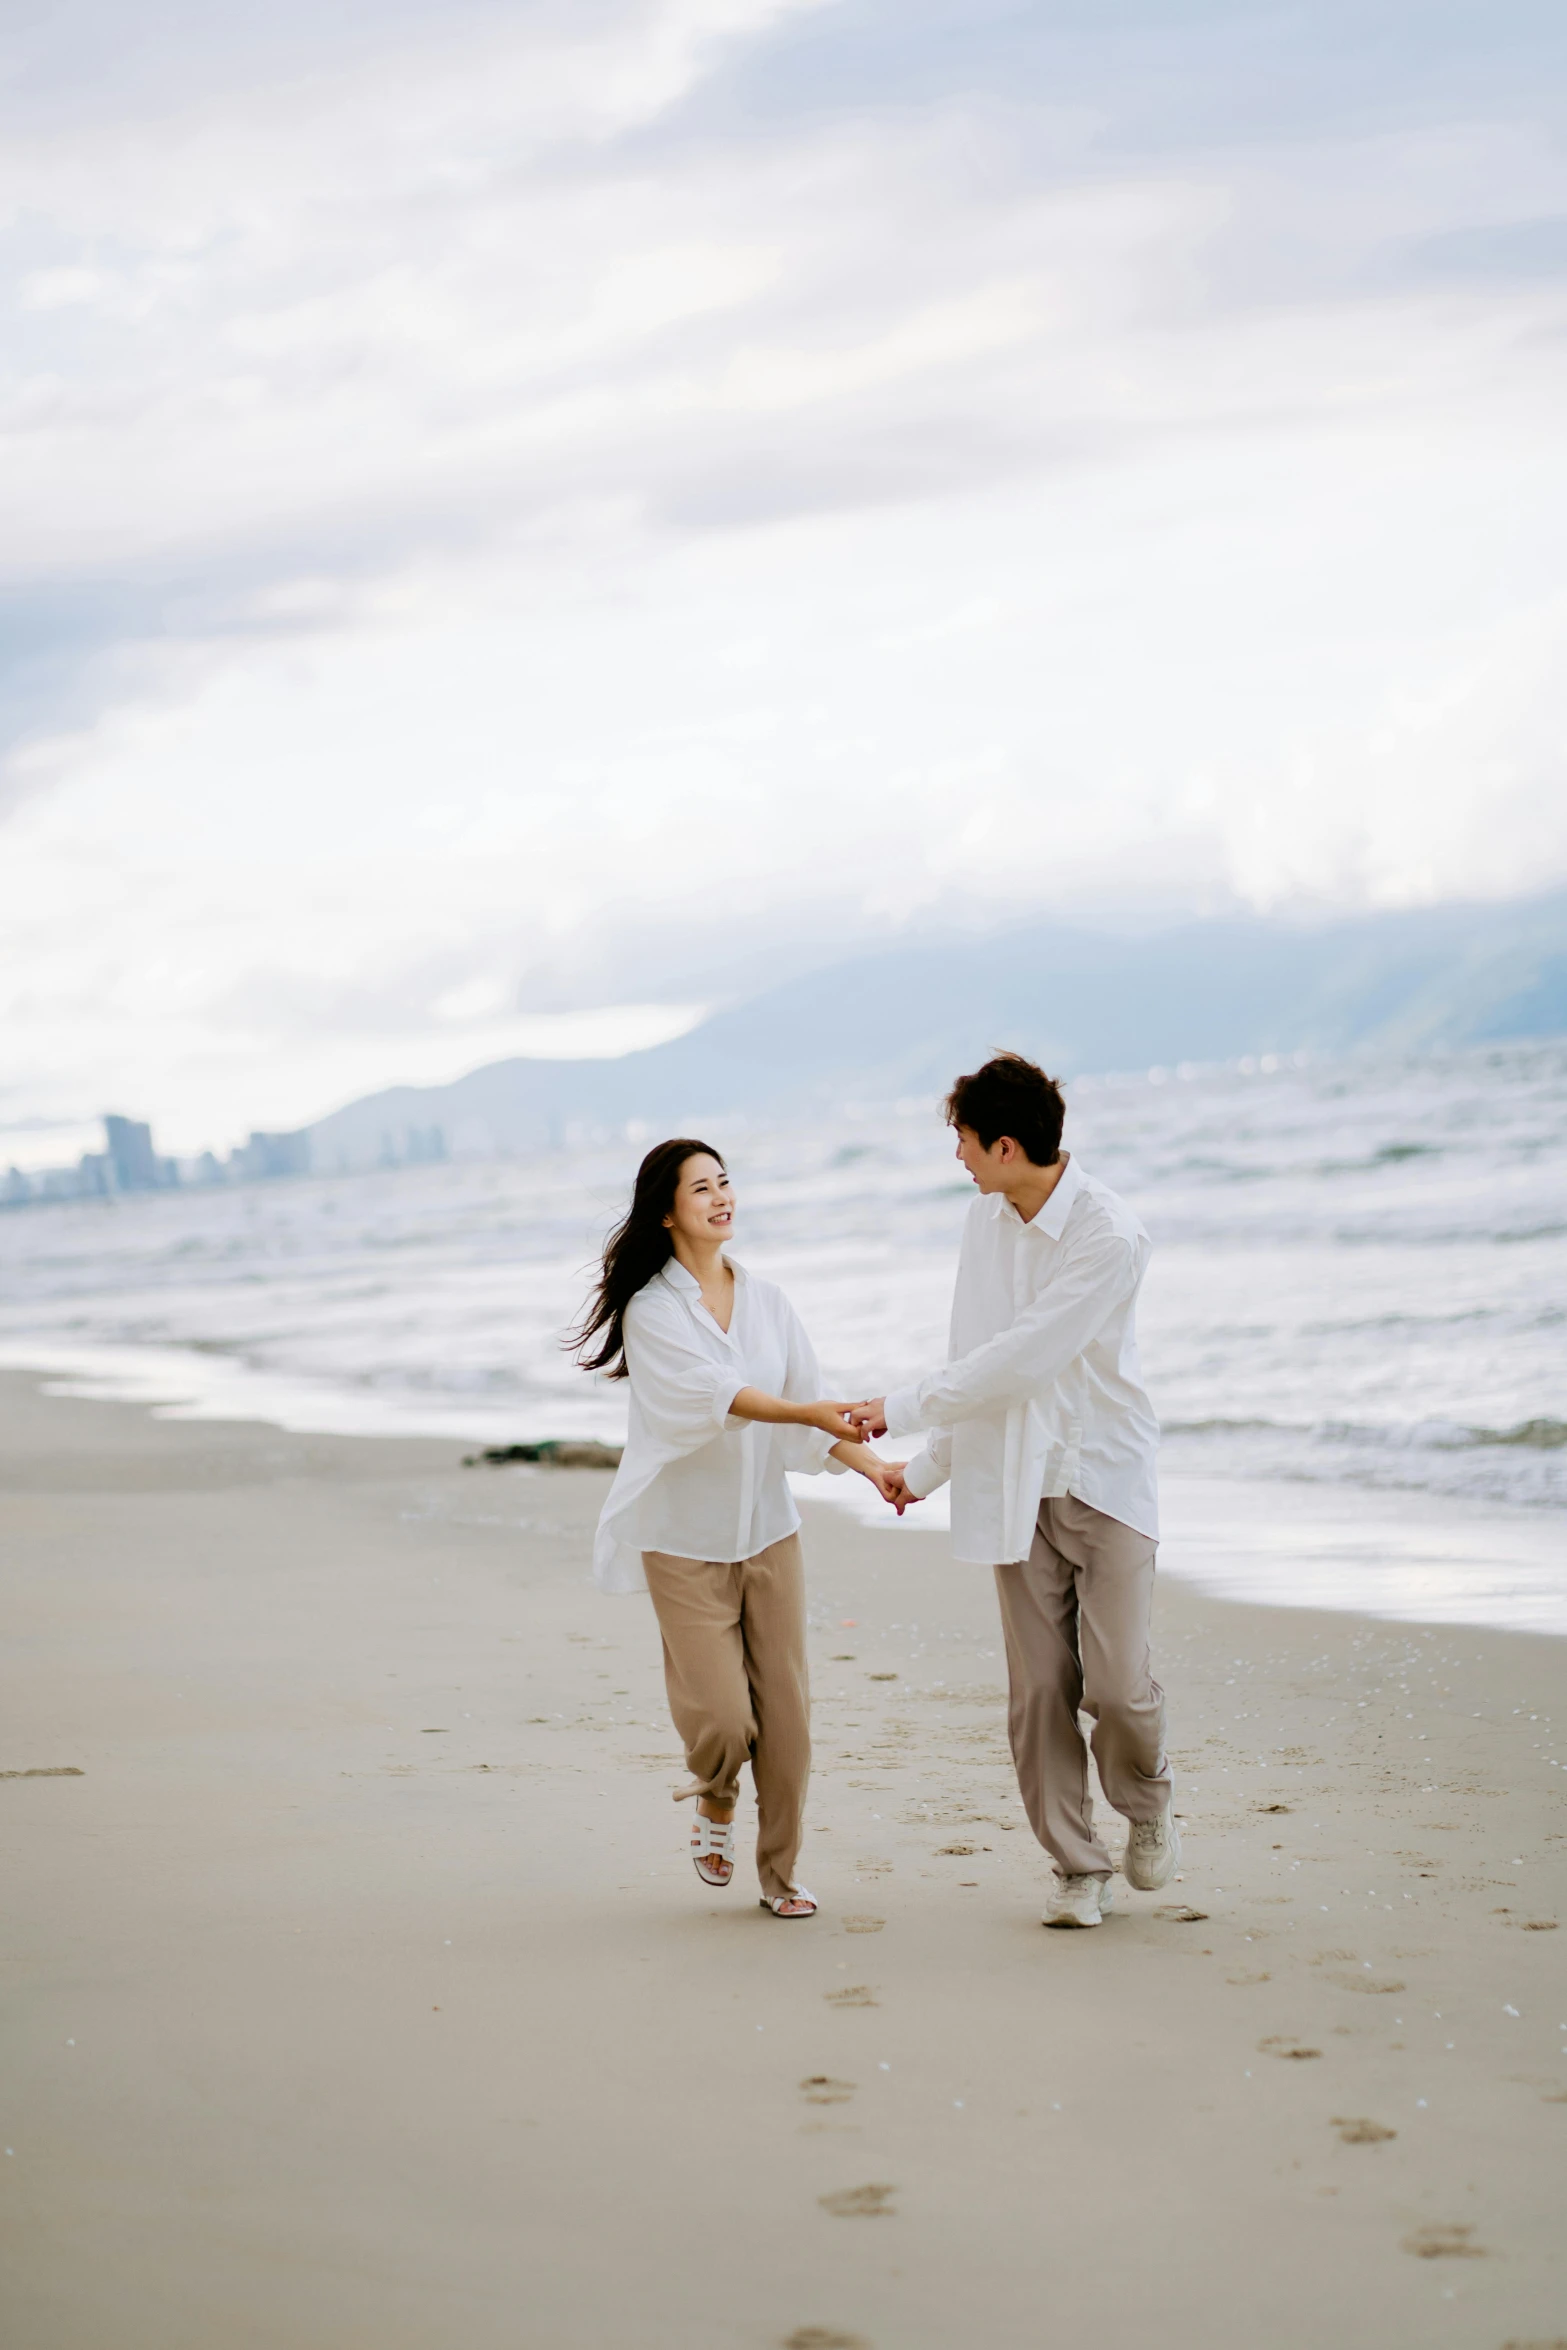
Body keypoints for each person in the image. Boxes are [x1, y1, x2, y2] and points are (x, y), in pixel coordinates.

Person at [848, 1052, 1177, 1929]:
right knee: (1038, 1694)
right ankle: (1078, 1868)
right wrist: (924, 1471)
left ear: (1002, 1145)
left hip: (1104, 1477)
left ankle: (1146, 1803)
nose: (954, 1157)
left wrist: (900, 1410)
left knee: (1113, 1689)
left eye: (960, 1140)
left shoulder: (1108, 1233)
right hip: (1012, 1486)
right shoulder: (982, 1222)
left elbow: (1027, 1354)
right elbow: (976, 1356)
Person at [574, 1137, 905, 1920]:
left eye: (725, 1183)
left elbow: (807, 1409)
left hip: (768, 1533)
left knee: (786, 1720)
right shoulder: (653, 1310)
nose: (722, 1198)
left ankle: (780, 1875)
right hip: (682, 1542)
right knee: (725, 1719)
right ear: (665, 1211)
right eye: (701, 1189)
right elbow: (715, 1395)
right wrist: (805, 1411)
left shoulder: (768, 1301)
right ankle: (716, 1798)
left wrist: (875, 1470)